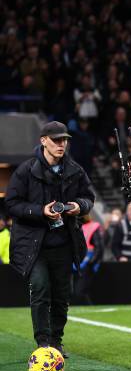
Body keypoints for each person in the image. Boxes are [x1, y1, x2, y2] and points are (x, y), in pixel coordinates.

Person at [5, 121, 95, 356]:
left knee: (62, 296)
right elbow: (11, 204)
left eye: (64, 140)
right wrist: (40, 211)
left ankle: (56, 340)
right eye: (56, 140)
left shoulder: (75, 170)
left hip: (64, 243)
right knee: (41, 288)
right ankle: (43, 343)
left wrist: (79, 206)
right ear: (43, 141)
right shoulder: (26, 170)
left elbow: (88, 197)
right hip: (35, 245)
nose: (61, 144)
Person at [73, 215, 104, 305]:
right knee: (78, 291)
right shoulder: (75, 226)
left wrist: (91, 262)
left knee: (80, 291)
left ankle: (90, 307)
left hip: (87, 263)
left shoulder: (93, 227)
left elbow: (99, 247)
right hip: (75, 262)